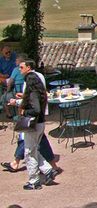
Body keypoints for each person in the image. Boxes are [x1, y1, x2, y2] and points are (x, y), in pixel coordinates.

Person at [18, 59, 57, 190]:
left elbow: (35, 110)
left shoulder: (33, 93)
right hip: (40, 124)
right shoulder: (38, 93)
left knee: (29, 152)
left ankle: (33, 181)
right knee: (33, 150)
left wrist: (24, 111)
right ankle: (47, 170)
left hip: (34, 125)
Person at [3, 53, 25, 118]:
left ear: (19, 61)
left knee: (4, 98)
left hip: (17, 92)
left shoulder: (17, 69)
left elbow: (10, 82)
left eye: (16, 60)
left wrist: (7, 91)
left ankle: (9, 114)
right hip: (24, 90)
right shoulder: (29, 70)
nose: (15, 62)